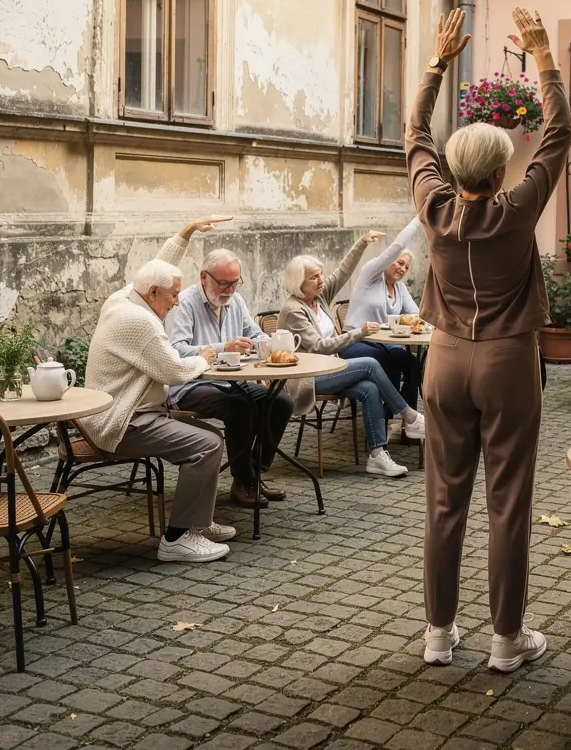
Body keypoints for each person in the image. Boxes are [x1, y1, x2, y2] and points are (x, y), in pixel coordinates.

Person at [408, 8, 571, 672]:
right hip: (508, 361)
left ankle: (438, 635)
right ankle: (507, 641)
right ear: (503, 171)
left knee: (443, 501)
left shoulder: (434, 205)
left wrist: (437, 63)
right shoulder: (518, 207)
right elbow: (558, 132)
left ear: (452, 169)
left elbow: (415, 132)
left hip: (445, 361)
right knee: (508, 501)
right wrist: (541, 55)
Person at [82, 216, 236, 564]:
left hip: (130, 412)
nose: (178, 303)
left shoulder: (124, 297)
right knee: (206, 444)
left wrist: (185, 233)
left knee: (211, 437)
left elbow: (159, 268)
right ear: (153, 293)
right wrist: (204, 356)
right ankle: (178, 539)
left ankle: (198, 522)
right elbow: (176, 371)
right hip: (121, 422)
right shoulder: (141, 322)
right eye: (174, 295)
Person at [278, 233, 426, 479]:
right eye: (314, 277)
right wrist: (359, 333)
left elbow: (344, 270)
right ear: (299, 282)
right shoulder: (294, 309)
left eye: (320, 275)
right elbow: (318, 347)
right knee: (370, 363)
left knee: (369, 388)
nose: (321, 280)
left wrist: (362, 242)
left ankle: (377, 455)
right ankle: (408, 415)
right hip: (307, 378)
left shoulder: (319, 299)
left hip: (330, 369)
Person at [165, 249, 293, 510]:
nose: (229, 289)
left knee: (280, 402)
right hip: (190, 383)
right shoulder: (184, 303)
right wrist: (225, 347)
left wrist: (265, 345)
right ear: (204, 277)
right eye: (223, 283)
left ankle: (254, 474)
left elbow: (256, 334)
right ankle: (243, 480)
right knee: (240, 407)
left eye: (235, 283)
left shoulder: (235, 301)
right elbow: (176, 349)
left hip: (231, 380)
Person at [342, 216, 422, 402]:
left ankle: (407, 421)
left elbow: (416, 316)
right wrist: (418, 220)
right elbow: (397, 246)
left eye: (406, 267)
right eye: (399, 263)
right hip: (356, 342)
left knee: (412, 364)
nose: (402, 269)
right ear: (389, 261)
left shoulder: (400, 289)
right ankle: (392, 415)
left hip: (385, 344)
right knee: (390, 362)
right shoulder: (371, 275)